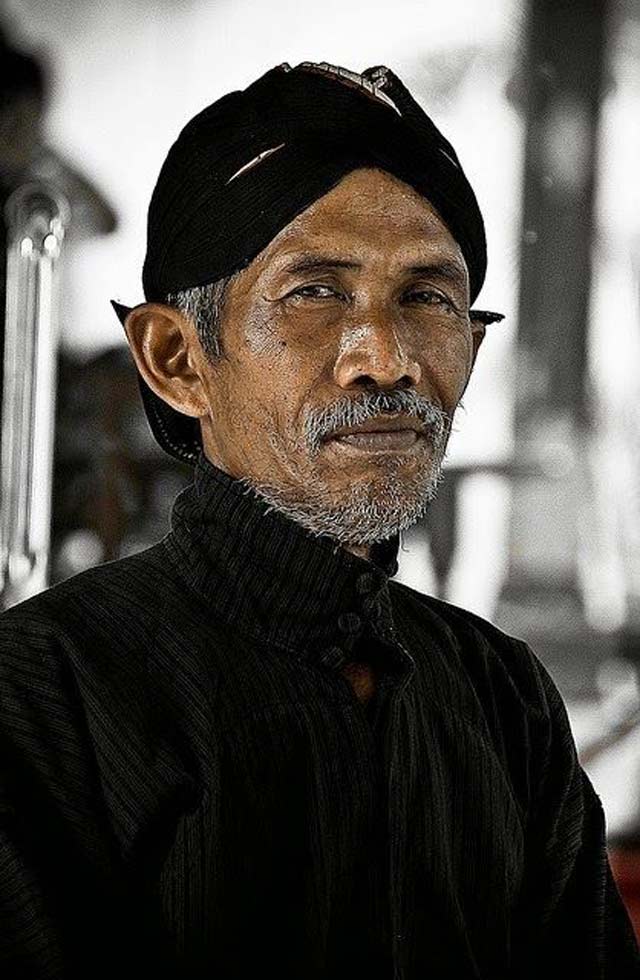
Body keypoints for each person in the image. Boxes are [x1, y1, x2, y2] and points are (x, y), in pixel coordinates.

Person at [1, 61, 638, 979]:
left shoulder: (506, 699)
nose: (386, 358)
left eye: (428, 297)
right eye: (314, 292)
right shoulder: (42, 698)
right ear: (178, 359)